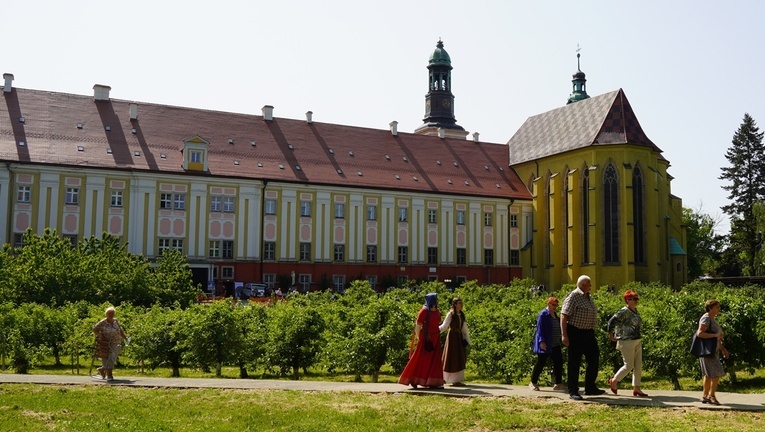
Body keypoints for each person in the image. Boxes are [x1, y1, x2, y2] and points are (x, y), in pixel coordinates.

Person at [560, 275, 604, 400]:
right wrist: (564, 335)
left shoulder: (588, 297)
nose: (591, 286)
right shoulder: (574, 296)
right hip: (575, 332)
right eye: (589, 284)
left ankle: (590, 387)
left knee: (594, 357)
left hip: (588, 333)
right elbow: (564, 315)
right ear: (583, 284)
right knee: (574, 362)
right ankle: (573, 390)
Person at [398, 293, 445, 389]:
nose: (437, 300)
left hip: (435, 337)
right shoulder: (424, 311)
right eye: (436, 298)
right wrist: (420, 338)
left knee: (434, 360)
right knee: (420, 359)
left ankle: (432, 382)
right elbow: (418, 326)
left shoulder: (437, 310)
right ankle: (414, 379)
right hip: (426, 338)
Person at [607, 290, 648, 397]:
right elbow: (611, 321)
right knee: (629, 365)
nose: (635, 301)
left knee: (638, 365)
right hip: (626, 341)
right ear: (627, 300)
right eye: (633, 299)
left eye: (636, 298)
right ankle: (615, 380)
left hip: (637, 340)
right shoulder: (624, 311)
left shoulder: (635, 311)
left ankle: (637, 388)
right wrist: (611, 334)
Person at [697, 299, 730, 405]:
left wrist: (723, 349)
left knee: (708, 374)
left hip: (712, 350)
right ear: (710, 308)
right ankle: (711, 395)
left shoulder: (712, 319)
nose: (718, 309)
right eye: (716, 307)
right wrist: (715, 335)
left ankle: (705, 396)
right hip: (707, 351)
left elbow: (716, 338)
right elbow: (700, 333)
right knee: (717, 372)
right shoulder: (706, 318)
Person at [530, 297, 565, 391]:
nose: (555, 307)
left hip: (555, 343)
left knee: (558, 362)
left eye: (556, 305)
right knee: (541, 362)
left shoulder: (554, 314)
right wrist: (541, 341)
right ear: (548, 304)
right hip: (546, 343)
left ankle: (558, 383)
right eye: (553, 305)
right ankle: (533, 382)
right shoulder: (543, 314)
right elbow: (540, 329)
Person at [439, 297, 471, 386]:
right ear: (455, 304)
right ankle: (443, 378)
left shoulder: (462, 315)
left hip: (459, 338)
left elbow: (464, 329)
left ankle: (456, 380)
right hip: (452, 337)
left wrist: (468, 341)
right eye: (459, 303)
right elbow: (444, 326)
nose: (460, 305)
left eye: (461, 303)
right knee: (451, 357)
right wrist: (435, 330)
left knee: (459, 357)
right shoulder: (451, 314)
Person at [92, 306, 128, 382]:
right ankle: (109, 375)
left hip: (116, 342)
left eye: (112, 313)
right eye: (109, 313)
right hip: (106, 342)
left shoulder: (115, 321)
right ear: (106, 314)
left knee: (113, 357)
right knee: (108, 357)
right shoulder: (103, 322)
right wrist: (100, 335)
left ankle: (102, 369)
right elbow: (94, 329)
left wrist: (125, 337)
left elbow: (120, 330)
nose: (111, 314)